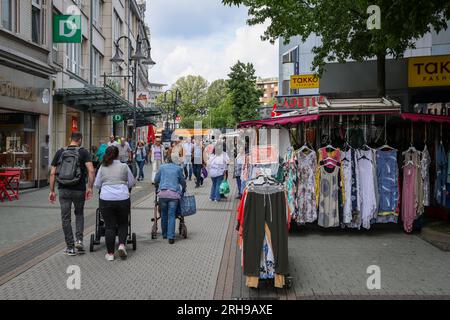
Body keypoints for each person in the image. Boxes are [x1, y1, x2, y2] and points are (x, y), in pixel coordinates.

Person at [49, 132, 95, 256]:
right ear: (80, 140)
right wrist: (90, 187)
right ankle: (79, 240)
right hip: (79, 189)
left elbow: (53, 173)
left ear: (70, 139)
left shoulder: (60, 152)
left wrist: (52, 190)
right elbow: (91, 170)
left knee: (65, 218)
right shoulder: (83, 152)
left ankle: (70, 247)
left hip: (63, 189)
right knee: (79, 214)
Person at [94, 146, 136, 261]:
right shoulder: (124, 166)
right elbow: (132, 182)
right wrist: (123, 186)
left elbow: (97, 184)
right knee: (123, 223)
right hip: (122, 198)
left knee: (109, 227)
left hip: (106, 199)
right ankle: (122, 245)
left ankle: (110, 254)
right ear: (118, 155)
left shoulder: (103, 167)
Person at [154, 152, 187, 244]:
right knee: (172, 215)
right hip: (174, 195)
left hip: (163, 194)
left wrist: (157, 185)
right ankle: (171, 237)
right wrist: (184, 187)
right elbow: (182, 181)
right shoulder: (178, 169)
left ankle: (164, 234)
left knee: (164, 214)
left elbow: (156, 180)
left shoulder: (162, 167)